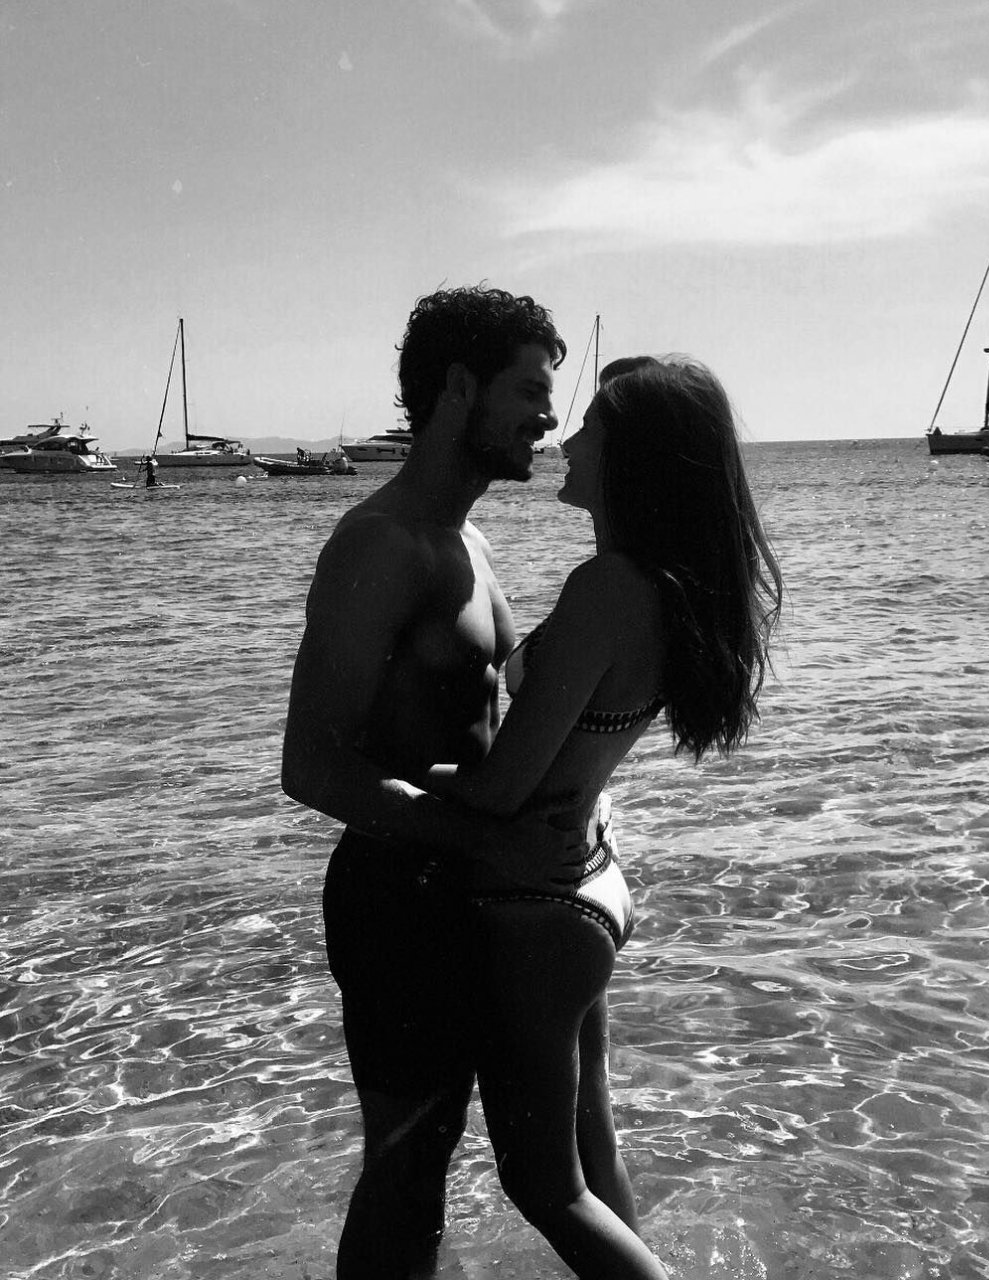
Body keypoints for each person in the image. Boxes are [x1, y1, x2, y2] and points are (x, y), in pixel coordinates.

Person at [420, 355, 783, 1278]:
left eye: (590, 428)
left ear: (634, 459)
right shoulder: (660, 585)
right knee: (590, 1155)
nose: (567, 441)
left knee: (544, 1185)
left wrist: (378, 771)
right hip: (583, 882)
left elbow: (501, 789)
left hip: (539, 909)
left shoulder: (608, 587)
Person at [281, 284, 581, 1278]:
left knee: (455, 1158)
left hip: (471, 889)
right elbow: (313, 763)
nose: (546, 418)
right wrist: (486, 838)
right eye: (529, 390)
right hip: (397, 900)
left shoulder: (471, 542)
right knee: (407, 1170)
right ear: (458, 387)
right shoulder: (380, 544)